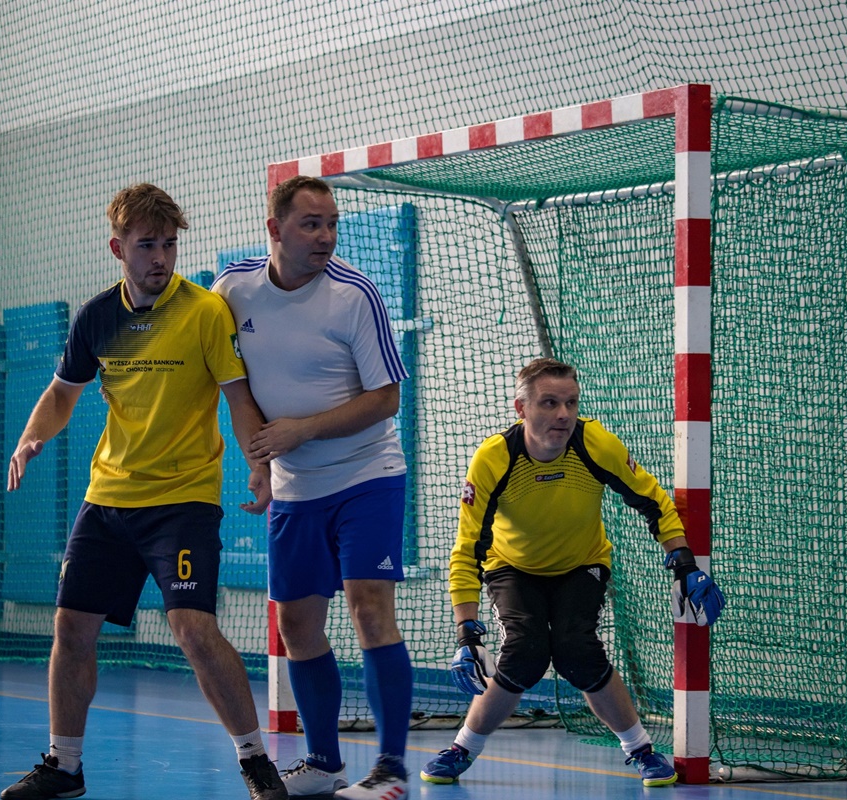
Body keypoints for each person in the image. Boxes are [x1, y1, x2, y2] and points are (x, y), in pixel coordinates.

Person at [2, 184, 287, 800]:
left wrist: (258, 465)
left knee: (192, 628)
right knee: (72, 628)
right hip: (108, 499)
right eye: (147, 245)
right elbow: (61, 394)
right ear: (118, 248)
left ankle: (254, 759)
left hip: (182, 500)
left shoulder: (205, 313)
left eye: (169, 244)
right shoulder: (98, 317)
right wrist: (30, 440)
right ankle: (64, 765)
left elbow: (239, 399)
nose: (161, 257)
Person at [420, 357, 726, 788]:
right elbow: (468, 549)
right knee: (525, 651)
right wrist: (466, 634)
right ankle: (461, 749)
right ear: (521, 408)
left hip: (582, 562)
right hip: (512, 566)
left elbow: (653, 500)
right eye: (549, 403)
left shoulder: (594, 443)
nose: (563, 414)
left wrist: (684, 563)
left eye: (570, 403)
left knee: (575, 648)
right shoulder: (493, 460)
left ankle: (641, 751)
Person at [212, 175, 413, 800]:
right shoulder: (231, 291)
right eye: (310, 223)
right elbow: (236, 389)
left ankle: (391, 768)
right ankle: (324, 762)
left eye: (331, 223)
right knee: (296, 624)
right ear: (274, 229)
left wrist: (303, 430)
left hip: (367, 475)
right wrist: (262, 461)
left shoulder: (355, 295)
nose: (325, 235)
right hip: (295, 488)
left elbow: (386, 399)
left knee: (368, 606)